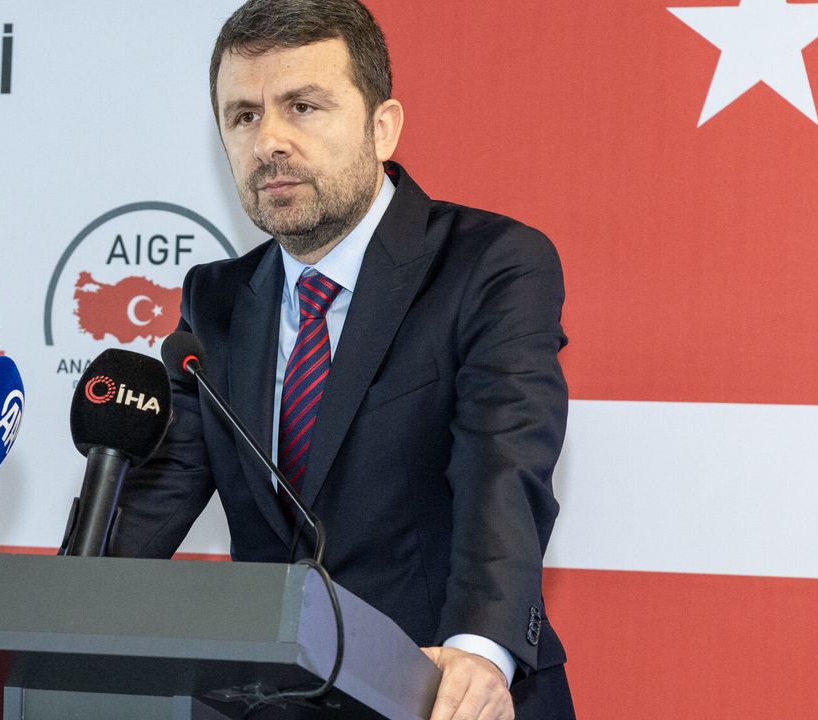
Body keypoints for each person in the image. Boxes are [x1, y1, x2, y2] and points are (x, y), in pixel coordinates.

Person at [110, 1, 574, 718]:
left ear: (382, 127)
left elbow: (503, 471)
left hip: (438, 692)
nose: (269, 141)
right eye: (243, 116)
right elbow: (152, 504)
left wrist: (479, 652)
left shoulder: (490, 265)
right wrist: (47, 623)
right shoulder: (214, 303)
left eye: (302, 107)